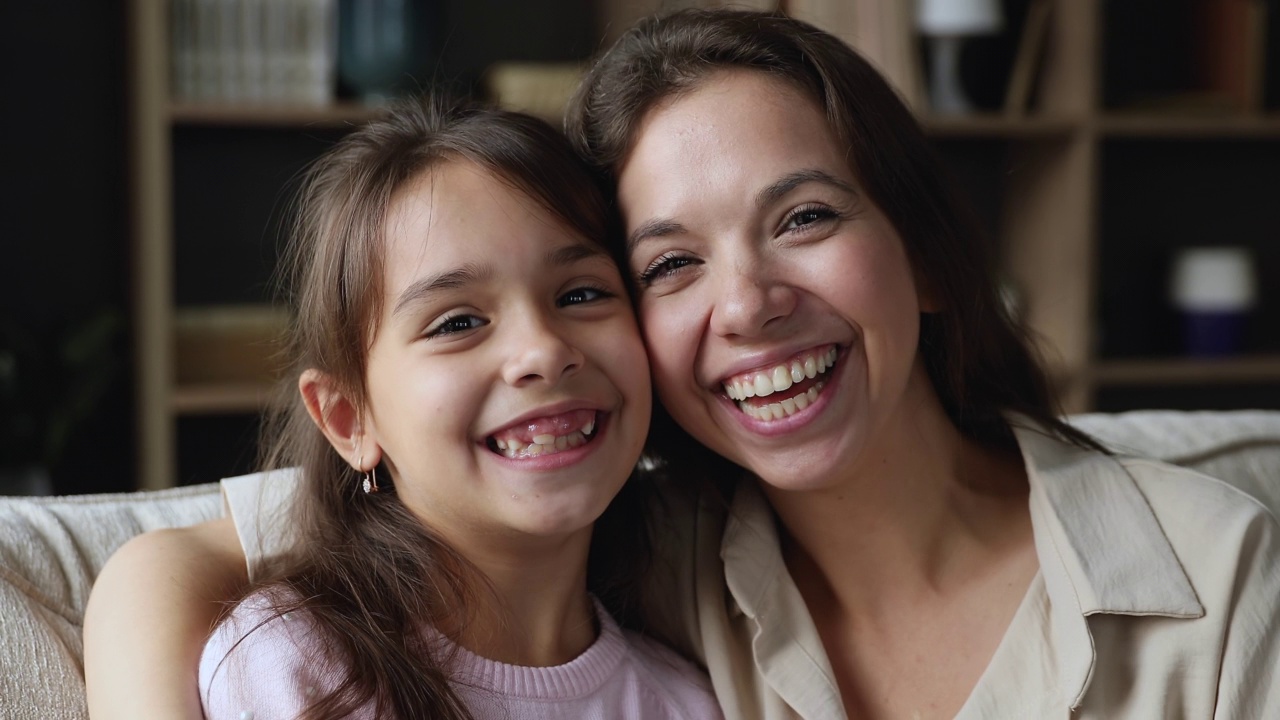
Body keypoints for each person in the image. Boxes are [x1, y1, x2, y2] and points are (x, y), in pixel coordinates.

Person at [86, 9, 1280, 719]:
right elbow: (182, 556)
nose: (750, 305)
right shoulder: (629, 541)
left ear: (921, 251)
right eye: (667, 267)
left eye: (803, 217)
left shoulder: (1215, 574)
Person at [86, 96, 722, 720]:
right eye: (458, 322)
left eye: (582, 293)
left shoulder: (689, 700)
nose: (543, 351)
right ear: (347, 420)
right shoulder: (300, 669)